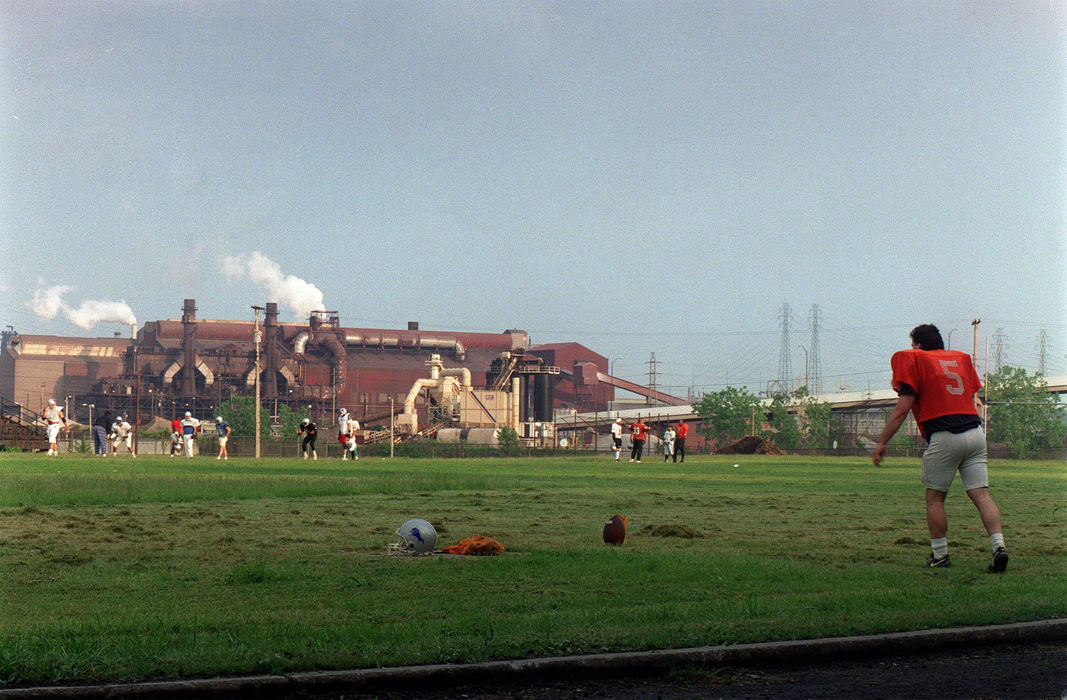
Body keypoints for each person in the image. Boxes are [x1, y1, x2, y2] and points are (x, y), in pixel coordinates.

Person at [873, 324, 1009, 573]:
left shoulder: (915, 361)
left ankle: (939, 555)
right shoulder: (958, 360)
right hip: (975, 433)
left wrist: (881, 442)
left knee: (935, 499)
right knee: (982, 495)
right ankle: (999, 546)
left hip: (945, 435)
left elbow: (901, 410)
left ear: (919, 346)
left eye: (913, 345)